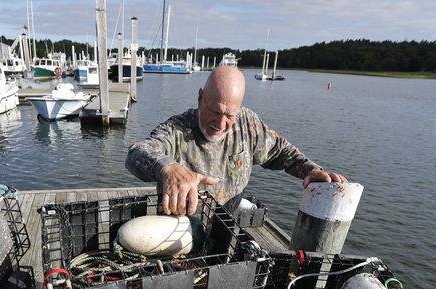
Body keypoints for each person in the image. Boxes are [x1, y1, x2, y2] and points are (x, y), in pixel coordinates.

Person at [125, 66, 347, 216]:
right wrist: (168, 168)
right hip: (180, 222)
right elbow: (137, 152)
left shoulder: (248, 123)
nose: (221, 124)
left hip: (227, 217)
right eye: (214, 111)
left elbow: (280, 152)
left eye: (230, 115)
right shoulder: (177, 130)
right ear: (201, 97)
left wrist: (310, 170)